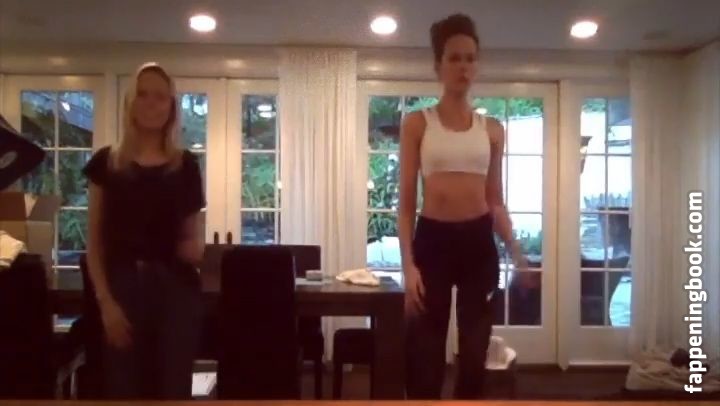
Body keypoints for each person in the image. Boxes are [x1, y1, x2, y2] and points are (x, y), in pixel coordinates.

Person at [398, 14, 528, 399]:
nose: (463, 67)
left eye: (470, 58)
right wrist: (409, 266)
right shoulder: (417, 124)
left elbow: (495, 200)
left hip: (477, 244)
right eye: (454, 58)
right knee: (426, 356)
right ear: (438, 65)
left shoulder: (492, 130)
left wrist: (517, 252)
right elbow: (405, 206)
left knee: (473, 357)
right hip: (433, 242)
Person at [83, 62, 206, 400]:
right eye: (143, 94)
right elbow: (94, 244)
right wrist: (106, 303)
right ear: (130, 102)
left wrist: (195, 248)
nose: (152, 103)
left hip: (175, 291)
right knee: (123, 389)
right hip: (121, 290)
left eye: (161, 97)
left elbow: (192, 239)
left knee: (173, 390)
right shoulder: (106, 163)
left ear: (171, 107)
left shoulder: (186, 166)